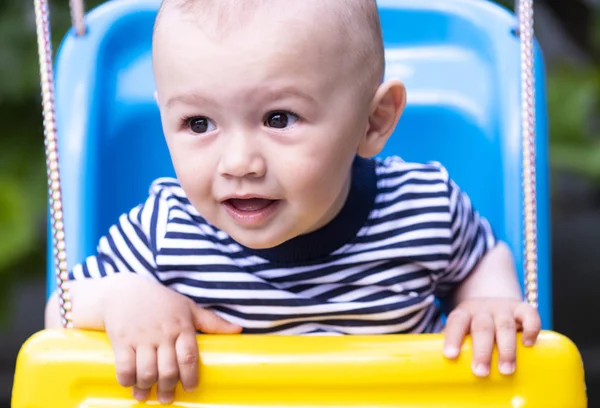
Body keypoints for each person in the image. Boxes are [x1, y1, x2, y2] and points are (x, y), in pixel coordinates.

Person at [46, 0, 541, 404]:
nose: (238, 162)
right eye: (199, 124)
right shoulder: (164, 232)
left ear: (374, 122)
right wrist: (125, 299)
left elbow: (482, 257)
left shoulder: (424, 208)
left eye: (279, 119)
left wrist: (487, 303)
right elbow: (62, 313)